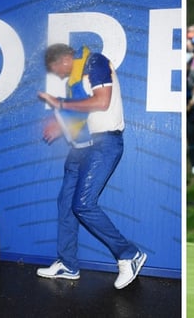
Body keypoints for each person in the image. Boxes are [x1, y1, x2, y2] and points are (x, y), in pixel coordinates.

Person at [36, 44, 146, 290]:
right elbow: (80, 117)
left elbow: (102, 101)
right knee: (66, 203)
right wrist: (59, 125)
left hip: (105, 142)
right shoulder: (74, 81)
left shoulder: (94, 62)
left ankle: (128, 254)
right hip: (82, 147)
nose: (58, 74)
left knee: (83, 205)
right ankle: (68, 264)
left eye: (56, 68)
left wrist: (61, 105)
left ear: (65, 58)